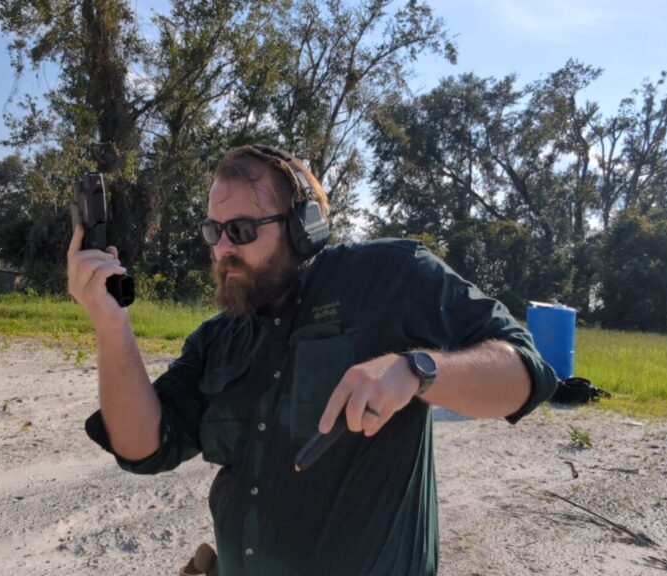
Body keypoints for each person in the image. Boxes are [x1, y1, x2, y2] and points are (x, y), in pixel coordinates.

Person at [67, 144, 559, 575]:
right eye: (213, 231)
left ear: (305, 228)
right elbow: (143, 447)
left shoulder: (389, 279)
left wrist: (415, 370)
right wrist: (112, 324)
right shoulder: (217, 340)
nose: (221, 250)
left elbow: (524, 374)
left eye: (239, 230)